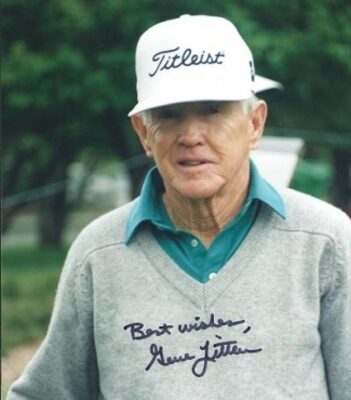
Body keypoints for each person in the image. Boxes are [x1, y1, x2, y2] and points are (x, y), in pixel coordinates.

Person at [7, 14, 350, 400]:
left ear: (254, 123)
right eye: (169, 115)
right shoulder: (99, 254)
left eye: (212, 110)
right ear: (143, 133)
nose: (190, 136)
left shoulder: (325, 240)